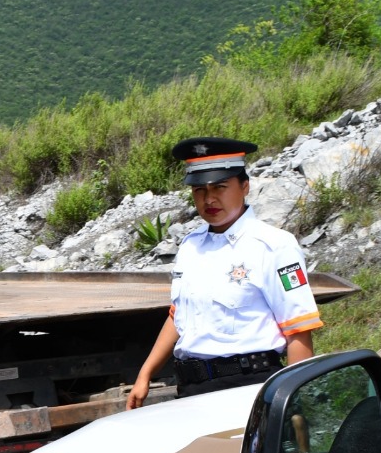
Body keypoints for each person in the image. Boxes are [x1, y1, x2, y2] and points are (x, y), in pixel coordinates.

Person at [128, 137, 322, 408]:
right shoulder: (191, 246)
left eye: (220, 187)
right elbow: (179, 315)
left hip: (249, 388)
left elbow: (299, 329)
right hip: (190, 391)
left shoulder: (273, 245)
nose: (209, 199)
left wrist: (292, 403)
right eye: (199, 190)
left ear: (245, 186)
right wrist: (145, 373)